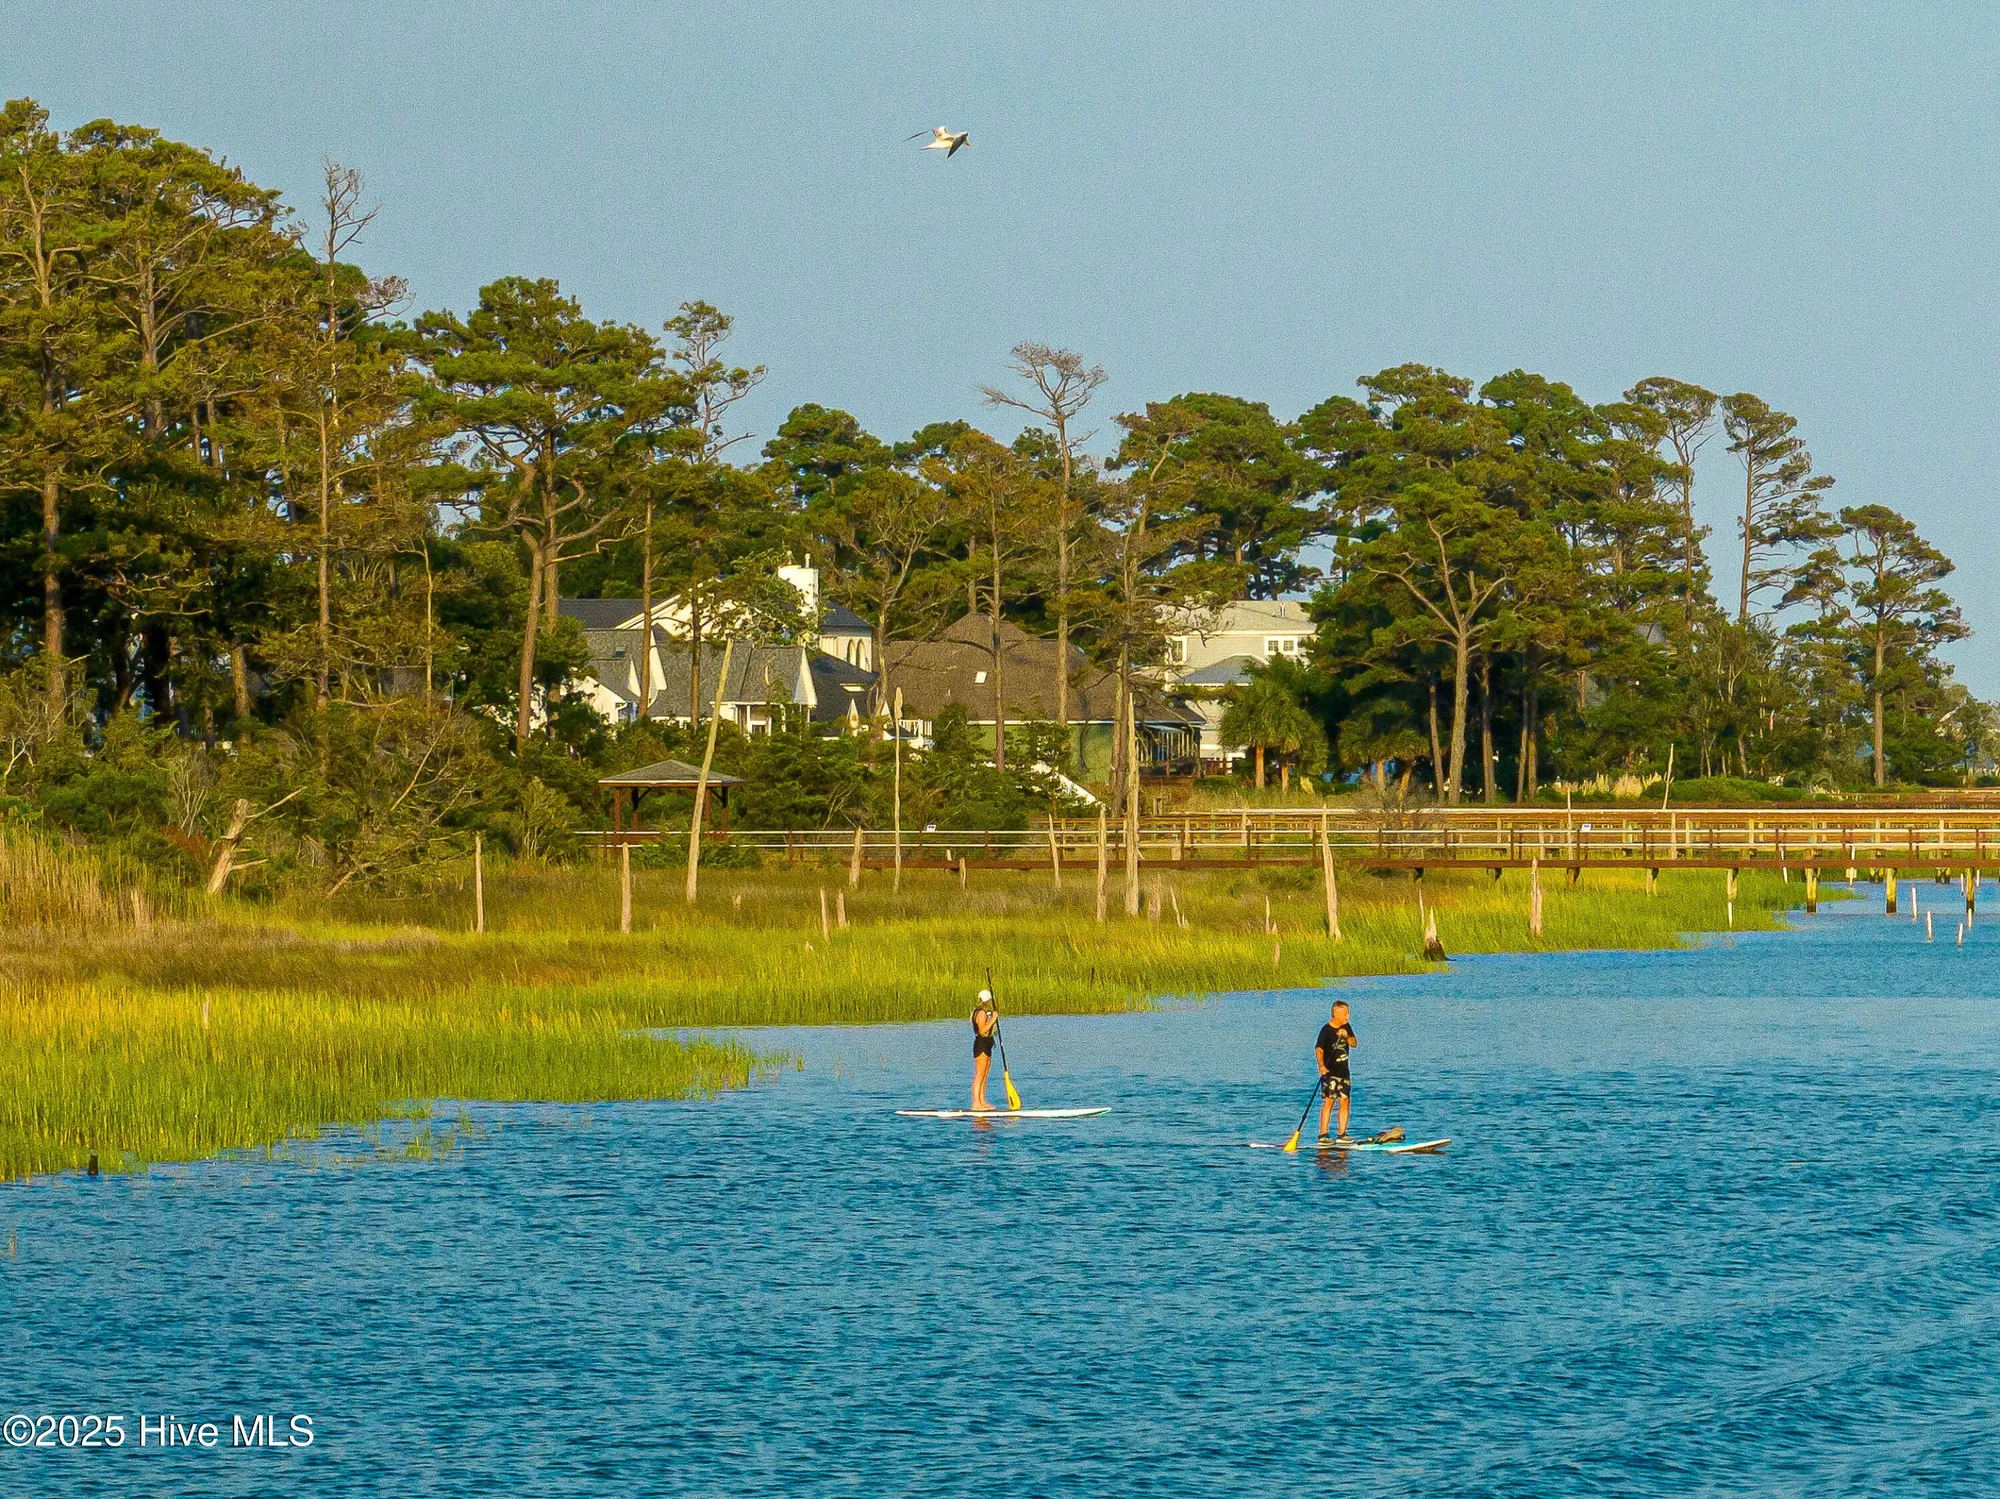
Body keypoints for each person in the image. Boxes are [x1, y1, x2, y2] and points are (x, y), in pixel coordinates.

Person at [1315, 1000, 1357, 1143]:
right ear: (1336, 1014)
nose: (1348, 1017)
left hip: (1344, 1072)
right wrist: (1321, 1066)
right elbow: (1319, 1049)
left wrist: (1346, 1036)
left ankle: (1342, 1134)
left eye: (1348, 1013)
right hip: (1330, 1072)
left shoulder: (1346, 1027)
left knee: (1345, 1101)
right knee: (1329, 1102)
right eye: (1345, 1014)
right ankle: (1323, 1135)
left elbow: (1354, 1043)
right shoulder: (1326, 1030)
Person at [971, 989, 1000, 1111]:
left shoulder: (984, 1012)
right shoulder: (981, 1013)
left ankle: (982, 1101)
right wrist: (993, 1019)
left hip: (987, 1043)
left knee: (985, 1075)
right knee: (979, 1074)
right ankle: (976, 1103)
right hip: (981, 1045)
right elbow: (982, 1031)